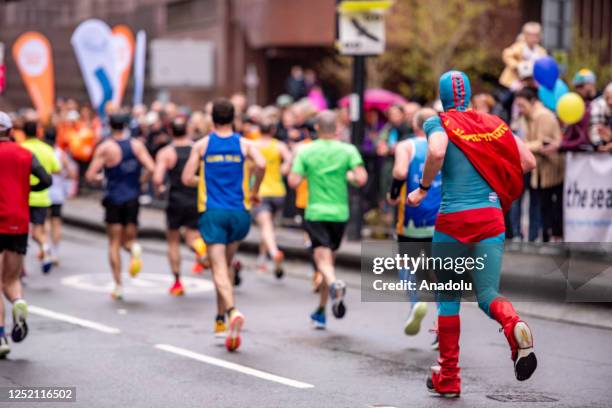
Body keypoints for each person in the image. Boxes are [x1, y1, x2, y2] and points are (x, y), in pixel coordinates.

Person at [407, 71, 537, 397]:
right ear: (468, 95)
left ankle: (448, 378)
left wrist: (423, 188)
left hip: (454, 221)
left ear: (443, 97)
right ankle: (513, 325)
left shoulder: (439, 122)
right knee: (488, 294)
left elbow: (436, 152)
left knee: (449, 298)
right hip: (491, 218)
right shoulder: (493, 123)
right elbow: (529, 160)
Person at [182, 99, 266, 352]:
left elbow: (186, 178)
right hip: (240, 213)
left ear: (212, 119)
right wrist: (254, 189)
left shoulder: (203, 145)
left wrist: (205, 178)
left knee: (218, 268)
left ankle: (231, 311)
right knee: (226, 267)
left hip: (214, 213)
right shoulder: (245, 144)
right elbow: (261, 164)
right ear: (234, 119)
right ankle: (220, 321)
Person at [288, 110, 367, 329]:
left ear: (317, 129)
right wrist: (348, 175)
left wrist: (306, 171)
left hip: (316, 212)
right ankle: (322, 310)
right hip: (340, 213)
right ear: (338, 129)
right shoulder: (348, 150)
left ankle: (334, 285)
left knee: (323, 263)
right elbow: (361, 178)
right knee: (327, 263)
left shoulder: (306, 151)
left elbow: (293, 181)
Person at [86, 112, 155, 300]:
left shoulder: (106, 148)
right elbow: (151, 167)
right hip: (133, 197)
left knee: (114, 243)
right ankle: (134, 248)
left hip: (114, 197)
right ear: (126, 126)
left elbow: (90, 174)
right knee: (129, 238)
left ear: (110, 125)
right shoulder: (137, 145)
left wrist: (101, 178)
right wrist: (142, 181)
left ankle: (118, 286)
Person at [387, 108, 441, 346]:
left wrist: (391, 194)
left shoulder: (406, 145)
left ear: (414, 124)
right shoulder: (444, 146)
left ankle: (415, 303)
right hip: (441, 217)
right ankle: (442, 319)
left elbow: (399, 171)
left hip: (411, 215)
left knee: (406, 264)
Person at [0, 112, 52, 357]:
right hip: (18, 222)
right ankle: (18, 302)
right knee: (10, 279)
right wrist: (28, 188)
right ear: (10, 132)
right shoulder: (24, 153)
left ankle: (1, 337)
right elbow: (47, 179)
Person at [153, 116, 208, 296]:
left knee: (173, 242)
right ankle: (202, 250)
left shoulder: (166, 152)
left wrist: (159, 189)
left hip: (175, 200)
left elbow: (157, 179)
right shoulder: (197, 148)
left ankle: (177, 283)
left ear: (170, 132)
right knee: (193, 238)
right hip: (195, 199)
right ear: (187, 130)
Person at [515, 87, 565, 242]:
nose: (520, 109)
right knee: (539, 204)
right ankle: (536, 236)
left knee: (548, 206)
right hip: (537, 167)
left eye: (522, 105)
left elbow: (543, 143)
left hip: (551, 169)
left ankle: (546, 236)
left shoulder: (544, 116)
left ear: (532, 101)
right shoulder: (526, 116)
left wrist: (520, 146)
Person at [21, 119, 61, 274]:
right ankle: (46, 247)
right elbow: (57, 169)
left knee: (21, 234)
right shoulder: (47, 149)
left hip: (23, 197)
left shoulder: (20, 149)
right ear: (37, 132)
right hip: (42, 197)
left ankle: (21, 269)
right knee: (39, 232)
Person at [252, 121, 292, 277]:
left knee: (266, 227)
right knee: (268, 228)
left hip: (260, 191)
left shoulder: (253, 145)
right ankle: (262, 260)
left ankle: (274, 252)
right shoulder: (279, 146)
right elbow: (290, 159)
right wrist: (284, 168)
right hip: (278, 191)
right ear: (273, 129)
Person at [46, 131, 77, 266]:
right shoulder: (61, 154)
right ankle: (55, 253)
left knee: (45, 222)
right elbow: (71, 173)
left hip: (43, 193)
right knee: (56, 223)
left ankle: (45, 248)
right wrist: (62, 177)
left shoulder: (43, 152)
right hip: (57, 193)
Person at [499, 22, 547, 90]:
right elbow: (507, 55)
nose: (533, 38)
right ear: (525, 35)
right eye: (531, 35)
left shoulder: (541, 51)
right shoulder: (519, 47)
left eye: (536, 35)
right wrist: (518, 66)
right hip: (514, 80)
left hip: (532, 82)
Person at [589, 82, 612, 152]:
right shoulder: (598, 105)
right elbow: (595, 129)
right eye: (607, 98)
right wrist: (599, 145)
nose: (610, 102)